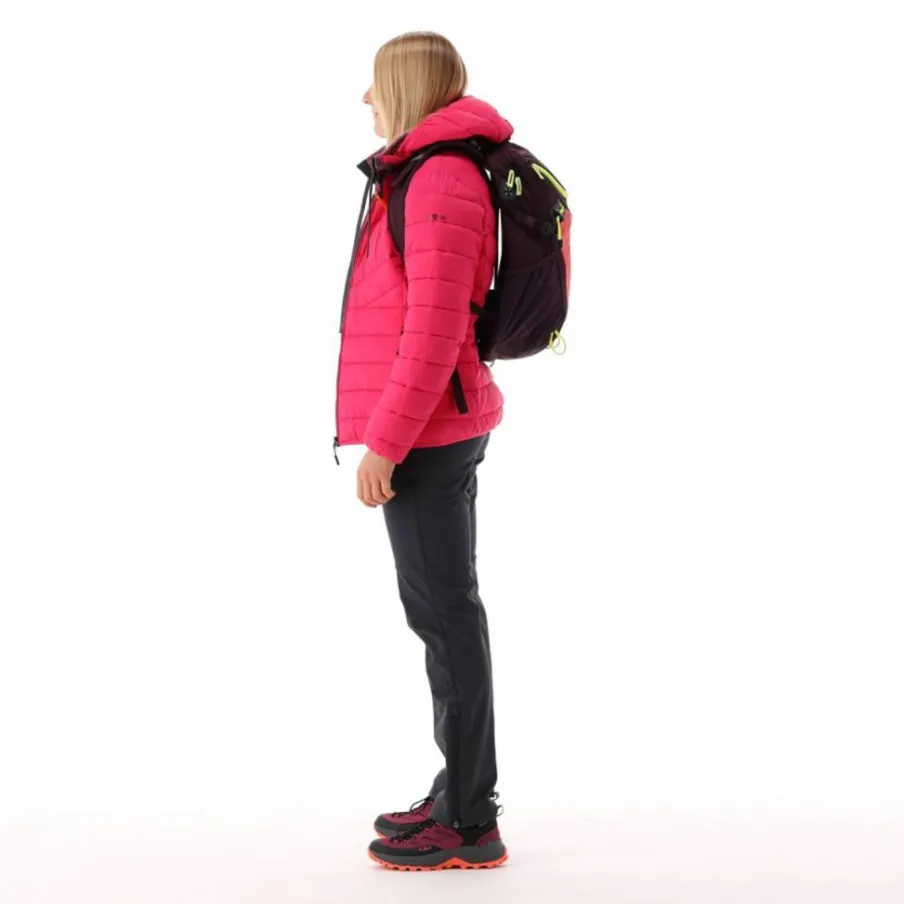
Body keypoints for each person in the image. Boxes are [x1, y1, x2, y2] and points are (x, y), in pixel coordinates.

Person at [333, 31, 510, 871]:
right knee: (443, 615)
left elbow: (434, 329)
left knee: (446, 618)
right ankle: (458, 793)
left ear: (406, 87)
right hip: (435, 427)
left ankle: (470, 820)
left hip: (428, 434)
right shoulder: (425, 170)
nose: (367, 100)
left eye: (376, 84)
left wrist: (386, 443)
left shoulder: (440, 176)